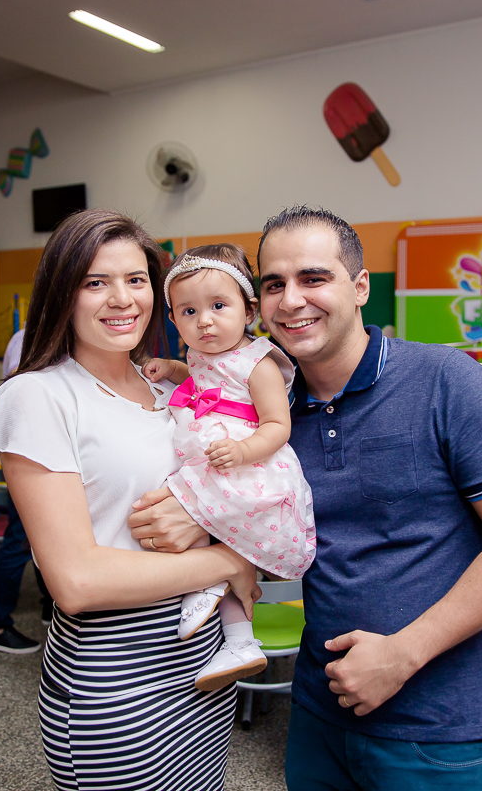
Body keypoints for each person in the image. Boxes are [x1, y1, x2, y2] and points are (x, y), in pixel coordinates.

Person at [130, 206, 482, 788]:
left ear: (359, 287)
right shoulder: (268, 409)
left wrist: (404, 653)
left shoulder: (443, 379)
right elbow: (274, 526)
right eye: (273, 284)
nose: (291, 300)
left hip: (432, 726)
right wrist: (199, 518)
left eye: (313, 277)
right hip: (316, 712)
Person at [0, 209, 259, 790]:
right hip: (116, 680)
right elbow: (75, 582)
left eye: (136, 279)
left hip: (204, 664)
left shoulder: (174, 389)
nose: (121, 298)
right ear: (62, 292)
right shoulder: (39, 396)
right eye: (95, 282)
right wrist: (231, 560)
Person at [141, 244, 316, 690]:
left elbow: (278, 425)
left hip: (249, 469)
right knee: (212, 541)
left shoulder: (259, 362)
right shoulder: (201, 356)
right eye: (189, 311)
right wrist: (174, 368)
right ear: (173, 319)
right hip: (214, 463)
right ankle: (240, 641)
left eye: (218, 306)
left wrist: (243, 452)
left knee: (202, 526)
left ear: (249, 310)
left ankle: (213, 595)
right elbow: (202, 381)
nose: (204, 320)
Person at [0, 328, 54, 655]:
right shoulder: (32, 339)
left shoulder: (24, 336)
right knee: (20, 540)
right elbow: (20, 386)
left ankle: (49, 604)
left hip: (37, 452)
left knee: (40, 539)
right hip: (31, 453)